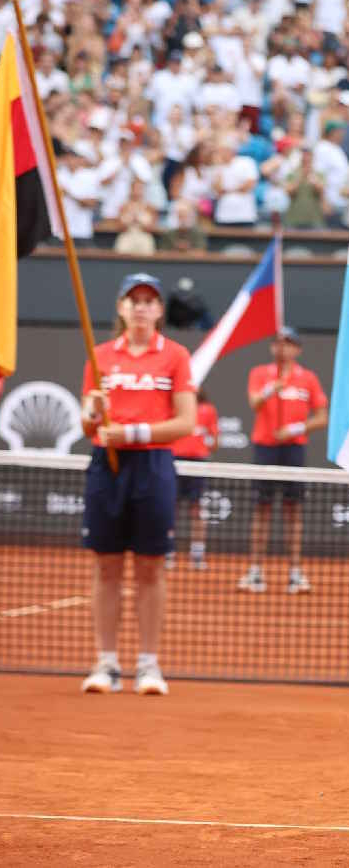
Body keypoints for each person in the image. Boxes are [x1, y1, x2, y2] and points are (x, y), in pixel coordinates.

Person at [79, 273, 197, 696]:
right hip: (105, 467)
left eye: (149, 300)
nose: (142, 307)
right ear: (121, 308)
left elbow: (186, 422)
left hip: (152, 465)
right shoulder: (100, 357)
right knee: (107, 566)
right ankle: (106, 663)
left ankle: (149, 665)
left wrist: (132, 434)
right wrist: (93, 413)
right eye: (134, 300)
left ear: (160, 310)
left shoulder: (176, 356)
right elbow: (86, 422)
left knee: (150, 567)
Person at [238, 328, 328, 595]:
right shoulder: (259, 374)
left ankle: (295, 573)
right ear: (272, 348)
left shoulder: (308, 379)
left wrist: (296, 429)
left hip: (293, 449)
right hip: (265, 448)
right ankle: (255, 572)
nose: (282, 348)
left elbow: (322, 417)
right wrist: (269, 390)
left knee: (293, 511)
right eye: (278, 343)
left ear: (297, 349)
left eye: (288, 344)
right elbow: (254, 403)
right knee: (261, 510)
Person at [169, 388, 218, 572]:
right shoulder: (174, 408)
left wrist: (205, 441)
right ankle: (168, 551)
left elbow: (214, 441)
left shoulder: (208, 409)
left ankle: (197, 555)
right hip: (175, 461)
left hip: (198, 462)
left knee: (197, 508)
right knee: (171, 507)